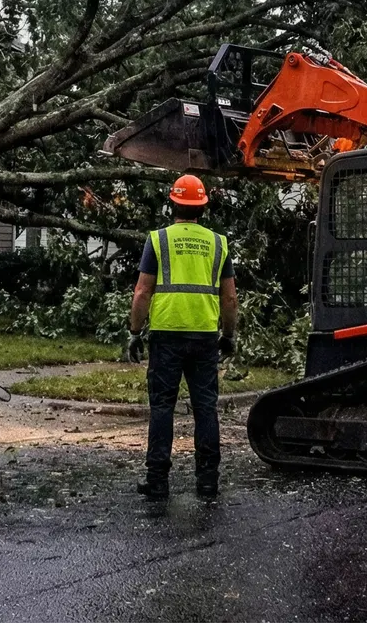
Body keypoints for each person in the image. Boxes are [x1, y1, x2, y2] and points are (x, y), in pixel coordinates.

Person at [126, 174, 239, 500]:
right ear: (203, 207)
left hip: (166, 334)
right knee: (206, 408)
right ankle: (207, 482)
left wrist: (135, 332)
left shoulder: (158, 240)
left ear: (172, 204)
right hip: (204, 336)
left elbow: (142, 291)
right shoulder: (219, 243)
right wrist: (228, 336)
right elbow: (229, 299)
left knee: (162, 406)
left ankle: (157, 481)